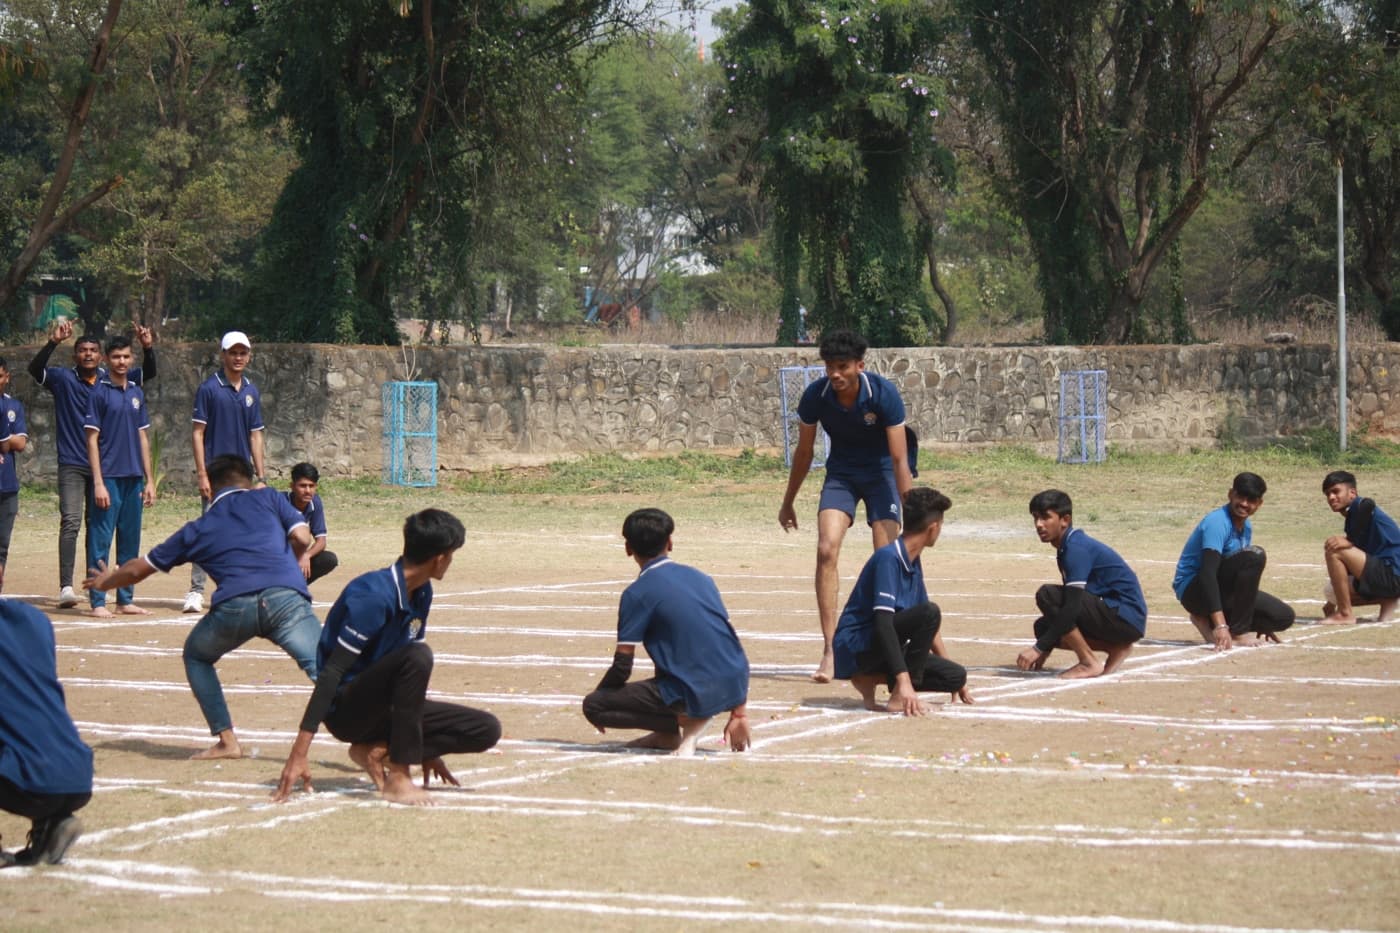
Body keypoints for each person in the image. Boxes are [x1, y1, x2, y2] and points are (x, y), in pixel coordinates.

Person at [84, 454, 321, 759]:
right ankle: (379, 737)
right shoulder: (270, 499)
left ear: (209, 486)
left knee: (197, 655)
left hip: (236, 605)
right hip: (286, 598)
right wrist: (285, 561)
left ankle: (227, 740)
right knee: (325, 669)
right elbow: (302, 536)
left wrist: (106, 582)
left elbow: (138, 570)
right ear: (248, 481)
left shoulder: (198, 528)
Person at [273, 509, 501, 806]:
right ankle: (399, 778)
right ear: (440, 558)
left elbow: (408, 681)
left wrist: (427, 750)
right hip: (348, 711)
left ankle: (375, 751)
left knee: (485, 729)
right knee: (418, 655)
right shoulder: (373, 595)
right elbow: (332, 673)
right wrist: (298, 754)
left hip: (387, 709)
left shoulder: (421, 591)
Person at [778, 329, 913, 684]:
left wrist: (909, 506)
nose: (835, 374)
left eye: (842, 367)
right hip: (841, 474)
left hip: (882, 473)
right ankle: (831, 648)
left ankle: (885, 646)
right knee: (826, 549)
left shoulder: (883, 394)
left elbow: (899, 459)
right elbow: (805, 453)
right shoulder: (816, 397)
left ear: (859, 365)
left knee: (886, 558)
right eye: (829, 367)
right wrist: (788, 501)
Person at [581, 508, 752, 756]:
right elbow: (724, 641)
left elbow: (622, 666)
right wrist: (739, 711)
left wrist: (601, 696)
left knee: (594, 706)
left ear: (628, 548)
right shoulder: (701, 578)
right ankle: (669, 732)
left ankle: (682, 724)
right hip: (735, 682)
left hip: (694, 690)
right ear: (670, 543)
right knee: (669, 652)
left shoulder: (636, 593)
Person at [27, 318, 156, 608]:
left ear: (100, 356)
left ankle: (115, 594)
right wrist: (53, 341)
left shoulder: (123, 386)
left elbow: (149, 373)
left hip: (113, 467)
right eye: (82, 349)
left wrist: (148, 348)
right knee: (74, 522)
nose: (88, 354)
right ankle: (68, 588)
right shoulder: (66, 380)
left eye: (93, 350)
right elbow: (35, 370)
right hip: (78, 463)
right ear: (76, 355)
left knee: (110, 531)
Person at [831, 488, 973, 716]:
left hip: (879, 646)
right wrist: (904, 683)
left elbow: (927, 624)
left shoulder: (913, 561)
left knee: (954, 675)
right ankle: (898, 695)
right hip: (857, 646)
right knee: (929, 612)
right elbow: (883, 623)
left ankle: (868, 679)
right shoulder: (889, 558)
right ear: (933, 527)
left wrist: (955, 677)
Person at [1016, 490, 1148, 679]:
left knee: (1048, 595)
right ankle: (1115, 647)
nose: (1039, 524)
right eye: (1036, 518)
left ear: (1065, 520)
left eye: (1045, 518)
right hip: (1118, 617)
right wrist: (1045, 649)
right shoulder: (1068, 545)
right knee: (1044, 627)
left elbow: (1072, 606)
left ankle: (1088, 662)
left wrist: (1039, 648)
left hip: (1125, 617)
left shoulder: (1076, 549)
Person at [0, 600, 92, 868]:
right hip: (77, 774)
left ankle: (49, 818)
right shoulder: (35, 619)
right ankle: (53, 824)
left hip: (30, 781)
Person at [186, 330, 265, 614]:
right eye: (233, 352)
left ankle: (237, 588)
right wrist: (202, 474)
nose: (238, 357)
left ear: (249, 356)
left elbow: (256, 436)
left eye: (243, 352)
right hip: (216, 475)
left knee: (243, 533)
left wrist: (261, 476)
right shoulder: (209, 388)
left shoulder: (251, 392)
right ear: (223, 355)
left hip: (242, 476)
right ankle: (196, 591)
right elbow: (198, 434)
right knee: (209, 531)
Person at [1173, 472, 1295, 649]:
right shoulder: (1217, 522)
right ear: (1231, 494)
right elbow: (1208, 574)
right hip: (1194, 591)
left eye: (1251, 500)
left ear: (1259, 504)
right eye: (1240, 496)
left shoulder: (1246, 526)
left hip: (1221, 589)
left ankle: (1206, 619)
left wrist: (1262, 621)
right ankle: (1237, 632)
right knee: (1255, 555)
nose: (1244, 504)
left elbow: (1239, 579)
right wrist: (1222, 625)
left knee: (1282, 617)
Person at [82, 335, 156, 618]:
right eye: (116, 357)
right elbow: (91, 441)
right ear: (106, 360)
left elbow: (142, 437)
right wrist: (98, 482)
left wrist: (149, 479)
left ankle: (125, 599)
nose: (121, 362)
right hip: (109, 478)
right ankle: (98, 601)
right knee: (101, 541)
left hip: (134, 478)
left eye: (126, 357)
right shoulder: (98, 393)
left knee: (129, 541)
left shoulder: (136, 392)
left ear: (132, 359)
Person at [1320, 470, 1400, 624]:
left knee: (1334, 549)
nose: (1331, 497)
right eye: (1327, 494)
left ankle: (1345, 614)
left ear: (1352, 493)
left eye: (1336, 491)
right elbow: (1352, 566)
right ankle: (1388, 601)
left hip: (1393, 573)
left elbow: (1368, 503)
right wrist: (1332, 602)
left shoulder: (1360, 506)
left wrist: (1349, 541)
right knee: (1331, 591)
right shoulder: (1354, 520)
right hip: (1389, 576)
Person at [0, 357, 29, 594]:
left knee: (2, 545)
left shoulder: (13, 407)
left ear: (6, 377)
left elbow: (20, 443)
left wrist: (4, 441)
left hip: (7, 486)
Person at [287, 462, 338, 585]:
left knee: (328, 559)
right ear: (292, 486)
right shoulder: (280, 502)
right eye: (303, 486)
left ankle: (296, 587)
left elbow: (321, 541)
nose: (308, 491)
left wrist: (306, 555)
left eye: (311, 486)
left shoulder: (315, 502)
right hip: (274, 557)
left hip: (295, 557)